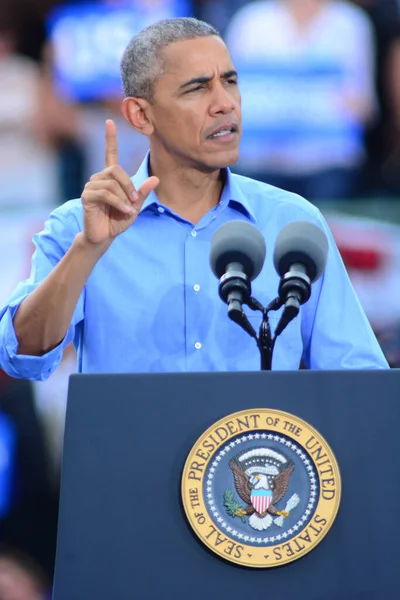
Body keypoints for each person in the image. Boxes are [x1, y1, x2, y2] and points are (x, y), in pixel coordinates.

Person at [0, 17, 388, 379]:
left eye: (231, 81)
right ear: (140, 116)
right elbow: (23, 356)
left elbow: (358, 376)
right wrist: (86, 251)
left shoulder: (294, 223)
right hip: (129, 453)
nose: (225, 102)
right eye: (198, 87)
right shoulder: (79, 227)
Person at [224, 0, 377, 201]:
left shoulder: (350, 23)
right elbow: (228, 93)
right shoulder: (250, 21)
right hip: (259, 164)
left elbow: (365, 103)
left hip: (329, 165)